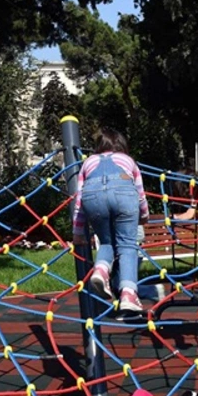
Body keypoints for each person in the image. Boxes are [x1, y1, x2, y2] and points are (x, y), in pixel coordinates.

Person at [71, 128, 149, 313]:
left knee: (107, 242)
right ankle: (129, 294)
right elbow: (140, 193)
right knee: (128, 246)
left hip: (93, 197)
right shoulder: (128, 160)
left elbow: (79, 199)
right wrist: (143, 215)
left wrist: (77, 232)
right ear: (122, 145)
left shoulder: (88, 162)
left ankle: (101, 270)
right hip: (124, 194)